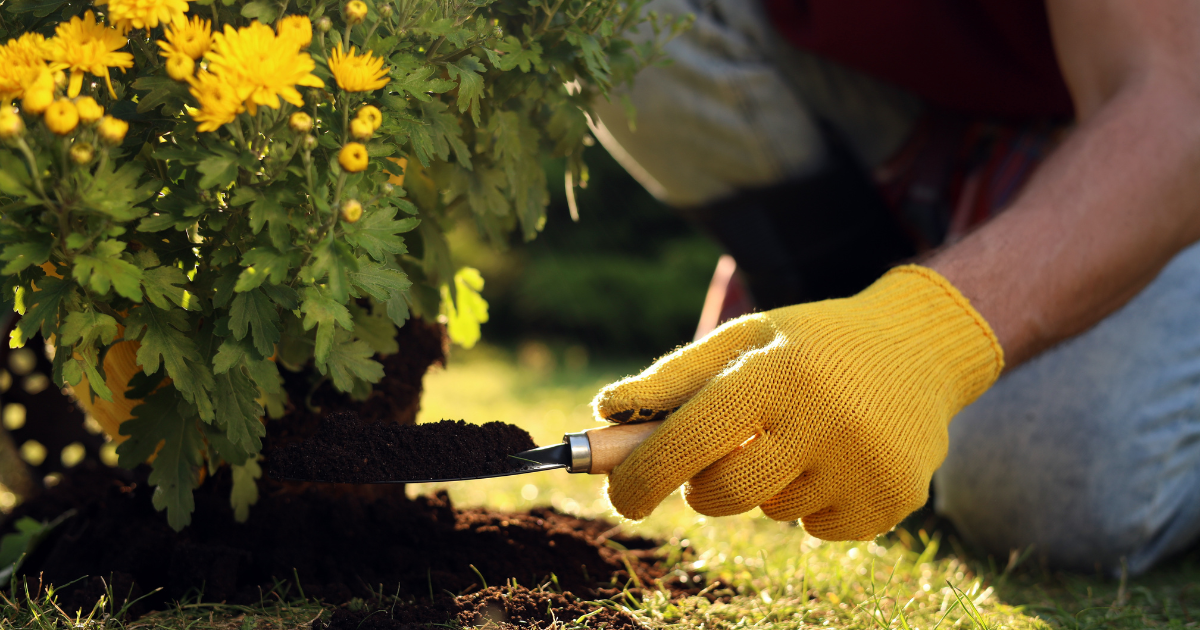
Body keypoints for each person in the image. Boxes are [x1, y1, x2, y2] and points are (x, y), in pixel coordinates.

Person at [587, 0, 1200, 576]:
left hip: (1139, 145)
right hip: (911, 119)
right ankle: (842, 354)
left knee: (1046, 484)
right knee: (606, 18)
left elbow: (1178, 107)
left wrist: (923, 337)